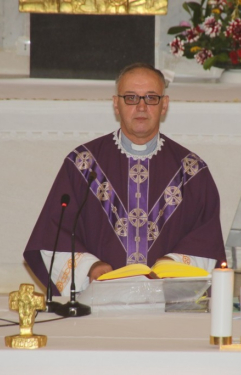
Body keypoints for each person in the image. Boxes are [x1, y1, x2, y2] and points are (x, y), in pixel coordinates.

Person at [24, 63, 226, 296]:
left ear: (164, 105)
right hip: (99, 301)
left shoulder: (191, 171)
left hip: (166, 303)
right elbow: (53, 235)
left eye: (151, 98)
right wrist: (90, 267)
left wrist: (172, 264)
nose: (141, 106)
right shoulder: (82, 165)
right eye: (131, 97)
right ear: (116, 104)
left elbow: (206, 239)